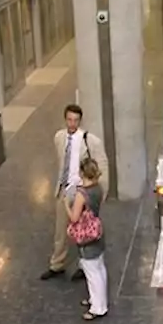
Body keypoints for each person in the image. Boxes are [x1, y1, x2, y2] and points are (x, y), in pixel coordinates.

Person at [43, 105, 110, 282]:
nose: (72, 123)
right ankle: (57, 263)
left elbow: (102, 165)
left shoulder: (91, 141)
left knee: (84, 230)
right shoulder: (59, 137)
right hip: (65, 188)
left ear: (80, 121)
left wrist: (100, 193)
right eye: (69, 119)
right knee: (60, 230)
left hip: (83, 191)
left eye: (76, 120)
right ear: (65, 119)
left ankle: (83, 264)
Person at [64, 157, 109, 320]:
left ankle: (98, 307)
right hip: (96, 232)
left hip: (86, 237)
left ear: (82, 172)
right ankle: (97, 299)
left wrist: (66, 206)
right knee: (100, 268)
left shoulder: (81, 194)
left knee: (91, 272)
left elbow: (75, 218)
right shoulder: (98, 188)